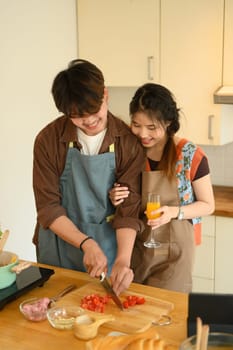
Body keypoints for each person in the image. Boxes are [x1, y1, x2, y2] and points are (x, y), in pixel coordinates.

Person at [32, 59, 145, 295]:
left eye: (94, 110)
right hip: (58, 247)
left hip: (107, 247)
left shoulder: (128, 142)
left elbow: (129, 209)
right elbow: (48, 207)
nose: (90, 121)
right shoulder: (48, 140)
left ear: (105, 95)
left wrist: (123, 261)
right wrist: (86, 243)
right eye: (78, 117)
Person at [109, 83, 215, 293]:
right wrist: (114, 196)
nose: (142, 134)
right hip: (138, 248)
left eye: (151, 127)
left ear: (168, 123)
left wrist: (173, 212)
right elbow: (126, 204)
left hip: (175, 256)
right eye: (136, 124)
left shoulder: (188, 154)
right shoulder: (129, 153)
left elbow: (208, 205)